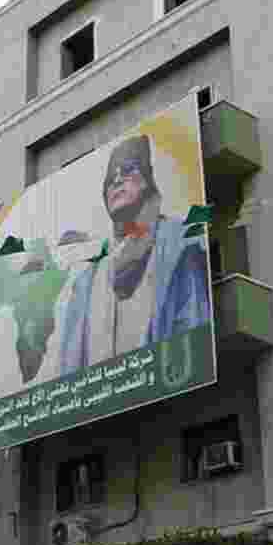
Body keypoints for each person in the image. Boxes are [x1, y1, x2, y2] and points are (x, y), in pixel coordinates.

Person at [58, 133, 210, 375]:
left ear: (148, 181)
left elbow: (194, 336)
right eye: (110, 178)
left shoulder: (181, 244)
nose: (117, 180)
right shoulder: (85, 285)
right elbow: (67, 373)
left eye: (128, 170)